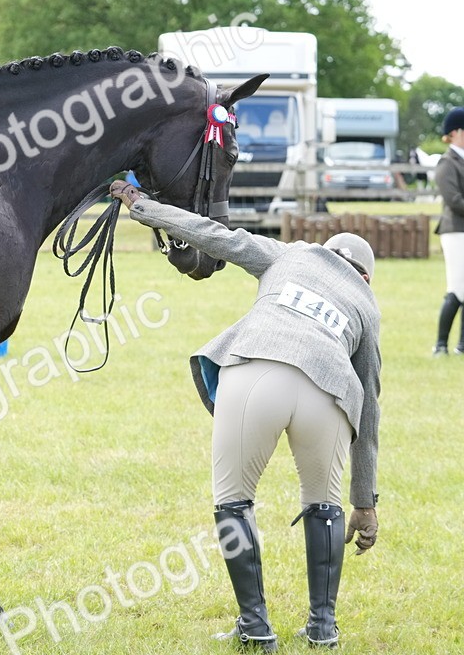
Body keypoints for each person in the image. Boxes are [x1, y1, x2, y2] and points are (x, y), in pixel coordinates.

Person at [109, 179, 380, 651]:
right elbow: (370, 408)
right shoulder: (366, 306)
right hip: (329, 390)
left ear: (325, 250)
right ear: (365, 277)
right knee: (324, 503)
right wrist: (365, 502)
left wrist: (147, 208)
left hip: (257, 368)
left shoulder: (291, 253)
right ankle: (322, 628)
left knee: (234, 499)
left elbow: (218, 236)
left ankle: (255, 627)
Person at [432, 107, 464, 355]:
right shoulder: (447, 163)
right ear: (455, 133)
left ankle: (462, 346)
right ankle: (440, 345)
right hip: (455, 231)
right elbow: (453, 200)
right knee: (457, 287)